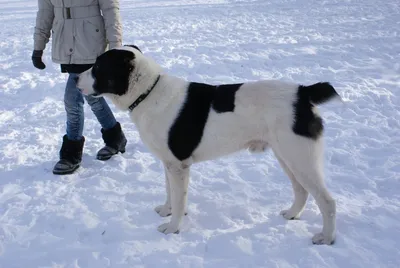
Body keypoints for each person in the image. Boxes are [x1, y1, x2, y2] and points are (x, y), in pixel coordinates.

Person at [32, 0, 127, 175]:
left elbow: (111, 11)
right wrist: (38, 47)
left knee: (72, 99)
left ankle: (71, 153)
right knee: (92, 97)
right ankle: (116, 138)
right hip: (66, 43)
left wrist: (115, 49)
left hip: (91, 42)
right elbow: (45, 13)